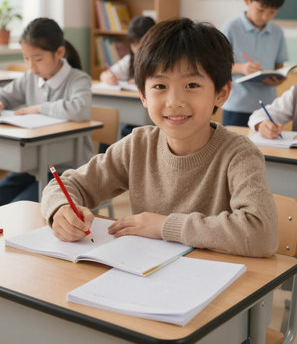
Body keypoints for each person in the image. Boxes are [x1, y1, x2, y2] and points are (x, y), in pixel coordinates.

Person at [41, 18, 278, 258]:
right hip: (147, 278)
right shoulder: (138, 146)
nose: (174, 101)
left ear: (221, 93)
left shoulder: (239, 154)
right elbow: (66, 185)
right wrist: (61, 210)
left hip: (217, 286)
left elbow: (262, 234)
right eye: (160, 86)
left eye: (192, 84)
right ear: (143, 95)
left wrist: (164, 226)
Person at [0, 17, 93, 205]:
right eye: (26, 58)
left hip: (67, 171)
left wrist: (39, 108)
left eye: (38, 59)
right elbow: (6, 95)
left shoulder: (78, 79)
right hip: (33, 166)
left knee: (19, 207)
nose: (31, 66)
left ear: (59, 52)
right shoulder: (30, 78)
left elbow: (80, 109)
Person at [221, 0, 288, 127]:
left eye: (272, 12)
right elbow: (217, 65)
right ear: (247, 0)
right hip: (236, 106)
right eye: (260, 10)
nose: (265, 17)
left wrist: (278, 79)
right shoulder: (230, 28)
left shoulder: (277, 32)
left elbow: (279, 67)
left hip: (268, 108)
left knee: (264, 150)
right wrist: (242, 68)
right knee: (233, 149)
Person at [99, 15, 155, 146]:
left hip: (148, 117)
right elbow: (106, 74)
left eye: (139, 44)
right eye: (133, 45)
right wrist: (108, 77)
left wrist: (140, 82)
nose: (136, 49)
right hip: (131, 116)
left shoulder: (160, 61)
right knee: (109, 129)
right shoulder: (130, 60)